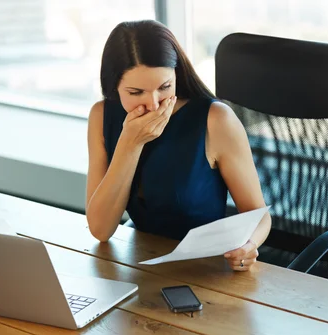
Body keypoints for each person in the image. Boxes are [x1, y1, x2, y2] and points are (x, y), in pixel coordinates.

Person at [85, 20, 271, 271]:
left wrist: (249, 244)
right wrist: (130, 143)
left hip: (207, 270)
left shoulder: (216, 120)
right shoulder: (102, 116)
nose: (153, 104)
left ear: (177, 75)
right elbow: (100, 230)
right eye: (136, 92)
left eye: (164, 87)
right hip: (141, 267)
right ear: (115, 87)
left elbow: (258, 214)